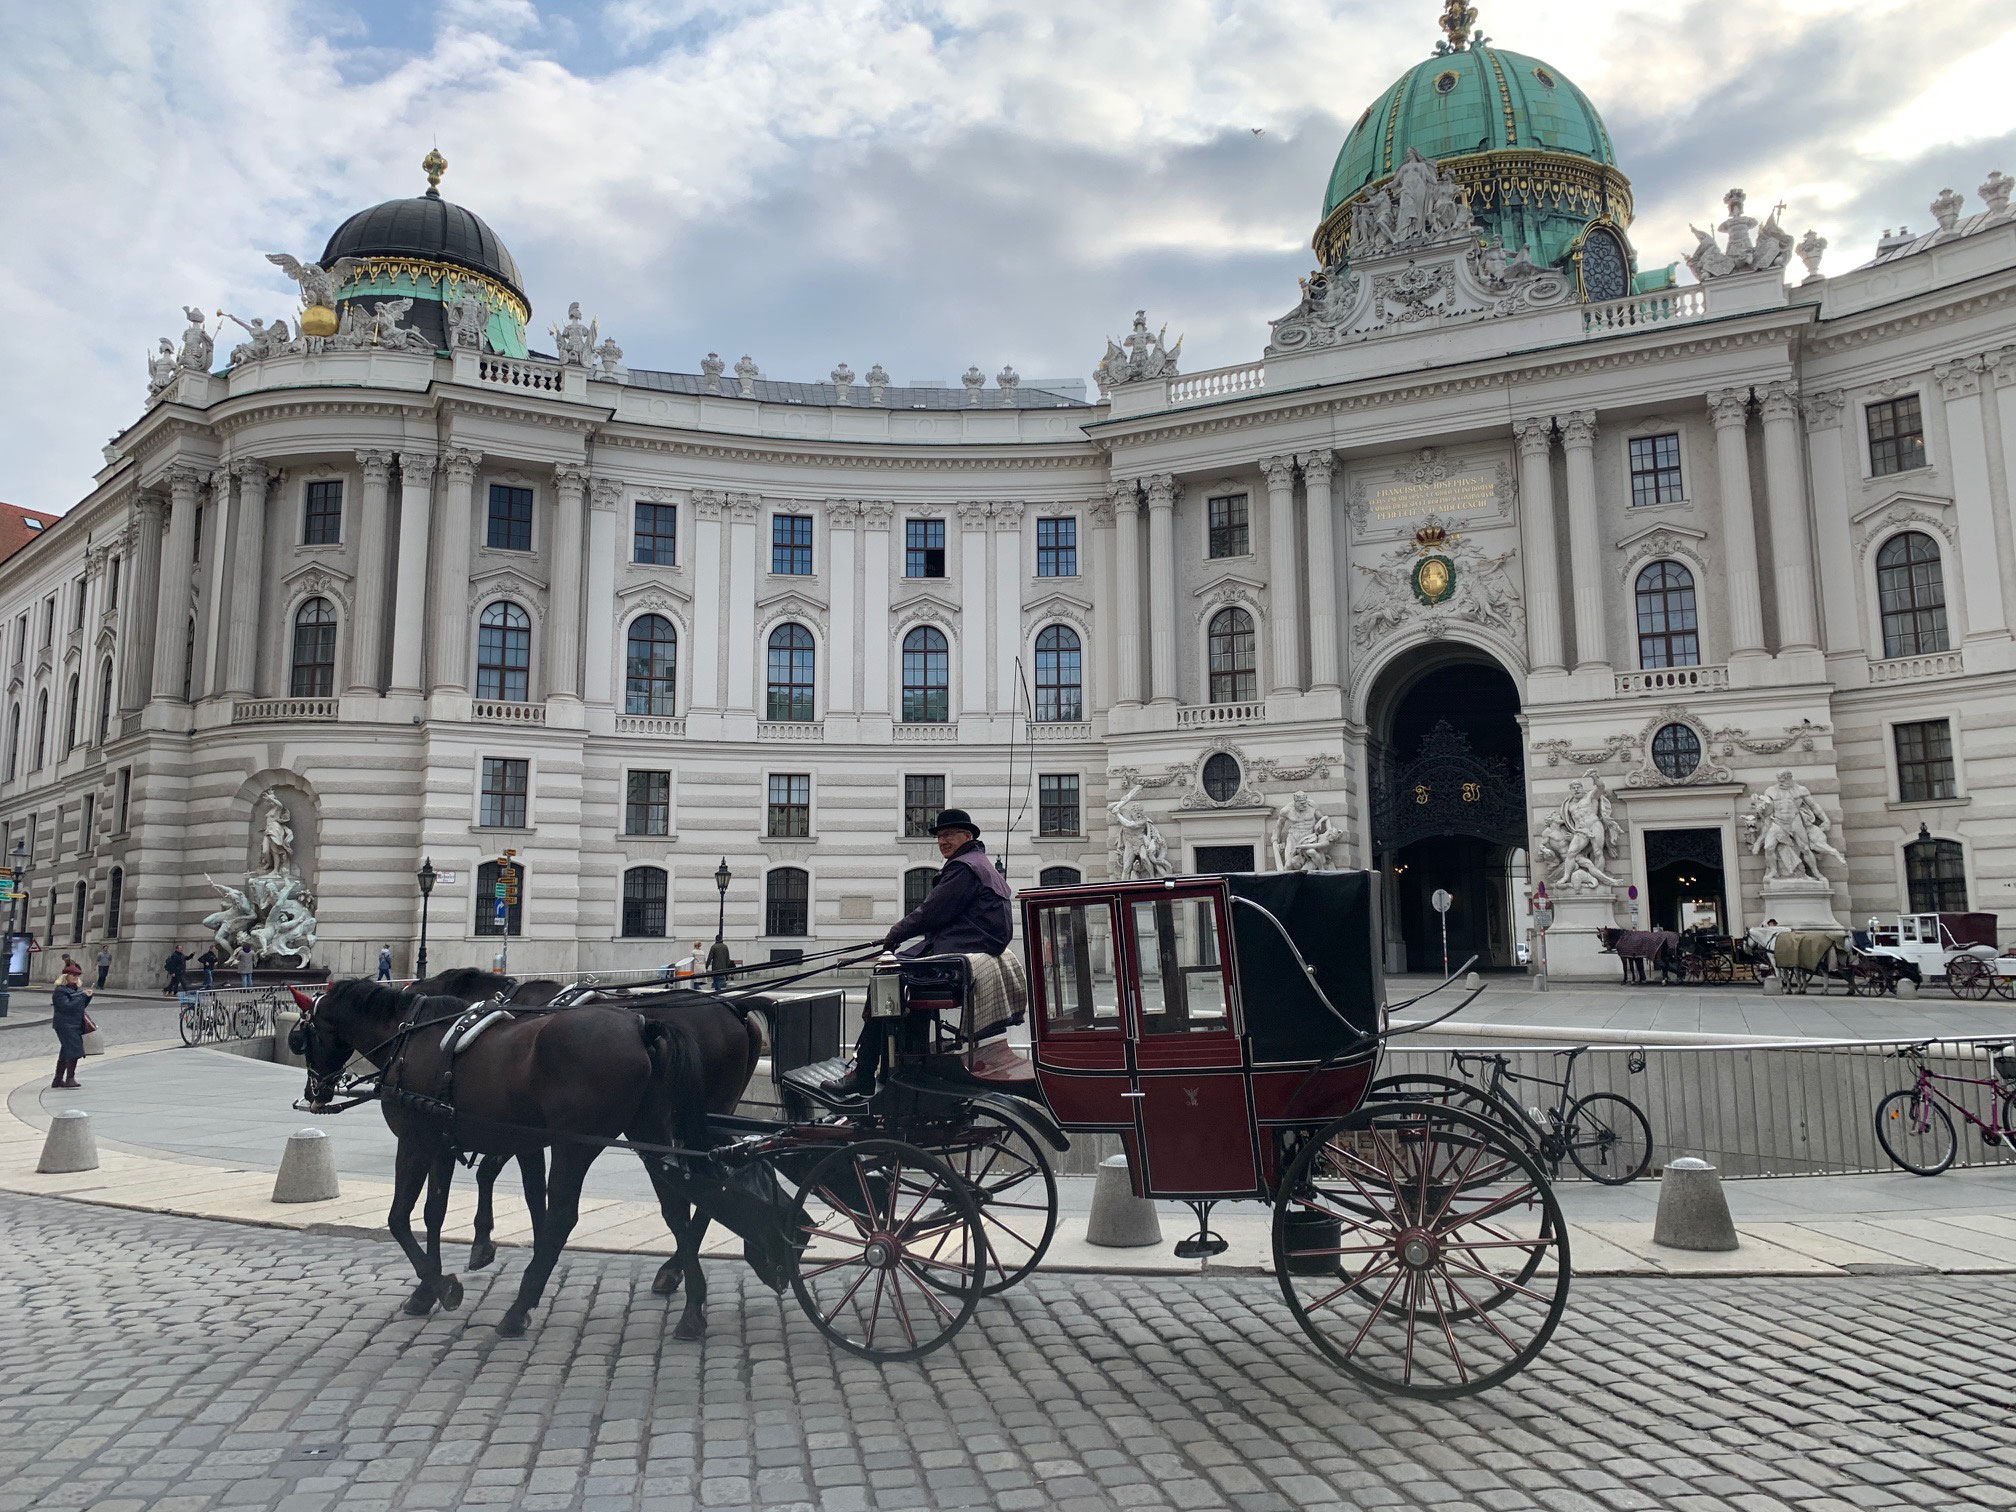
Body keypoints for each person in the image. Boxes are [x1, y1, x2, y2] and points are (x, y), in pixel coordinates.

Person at [820, 807, 1011, 1098]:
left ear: (967, 836)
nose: (943, 841)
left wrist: (895, 934)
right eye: (940, 836)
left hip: (962, 947)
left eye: (949, 835)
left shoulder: (963, 868)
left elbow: (930, 913)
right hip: (971, 944)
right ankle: (891, 1066)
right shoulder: (980, 864)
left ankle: (865, 1070)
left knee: (885, 975)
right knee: (896, 978)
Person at [50, 966, 93, 1090]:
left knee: (66, 1050)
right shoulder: (60, 991)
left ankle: (58, 1079)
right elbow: (66, 1006)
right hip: (65, 1024)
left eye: (77, 976)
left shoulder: (76, 990)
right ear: (65, 977)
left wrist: (87, 997)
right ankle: (70, 1079)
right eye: (73, 975)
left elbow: (80, 1006)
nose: (75, 978)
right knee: (74, 1050)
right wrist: (82, 996)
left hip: (75, 1024)